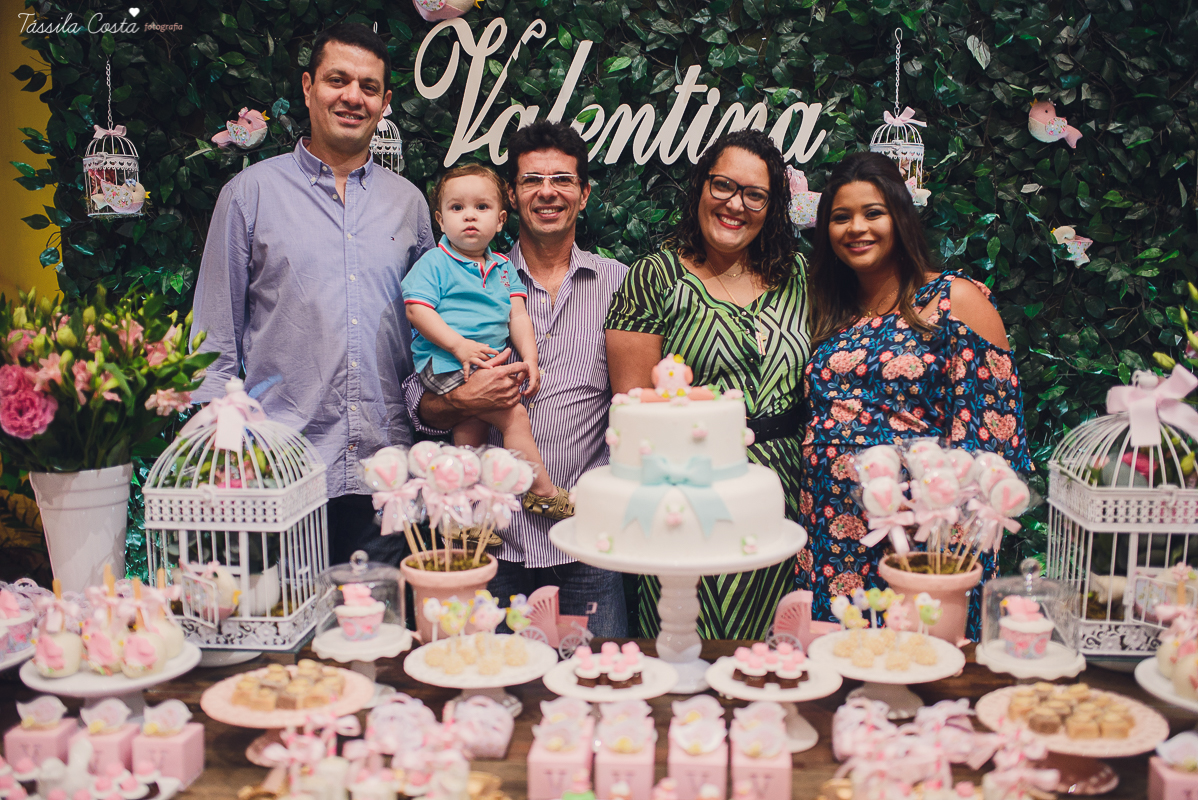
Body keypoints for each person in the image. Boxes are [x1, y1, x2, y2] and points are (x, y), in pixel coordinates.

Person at [191, 23, 434, 565]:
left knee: (382, 641)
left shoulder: (409, 205)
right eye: (337, 80)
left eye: (369, 87)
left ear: (385, 102)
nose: (353, 97)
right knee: (283, 644)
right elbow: (213, 343)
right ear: (307, 87)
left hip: (385, 480)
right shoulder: (249, 195)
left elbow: (427, 339)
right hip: (279, 474)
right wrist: (223, 465)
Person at [402, 120, 630, 636]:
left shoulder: (618, 284)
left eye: (562, 180)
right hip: (488, 542)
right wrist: (465, 399)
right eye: (531, 180)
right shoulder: (467, 274)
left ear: (584, 193)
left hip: (585, 539)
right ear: (512, 194)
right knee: (488, 685)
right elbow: (417, 401)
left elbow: (634, 405)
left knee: (600, 689)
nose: (547, 192)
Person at [796, 152, 1031, 640]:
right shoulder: (831, 312)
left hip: (921, 543)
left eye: (872, 213)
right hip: (831, 534)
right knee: (843, 680)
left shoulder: (954, 300)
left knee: (923, 674)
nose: (856, 228)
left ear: (899, 217)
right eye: (841, 217)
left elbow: (994, 439)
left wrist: (951, 552)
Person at [605, 129, 811, 640]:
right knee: (689, 645)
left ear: (773, 206)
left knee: (777, 658)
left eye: (754, 194)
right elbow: (633, 413)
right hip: (691, 497)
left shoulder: (800, 275)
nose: (735, 204)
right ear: (700, 186)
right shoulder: (655, 277)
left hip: (786, 497)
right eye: (723, 185)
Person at [402, 164, 565, 507]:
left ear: (501, 220)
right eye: (457, 208)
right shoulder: (435, 262)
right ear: (441, 221)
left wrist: (531, 358)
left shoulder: (504, 268)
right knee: (514, 414)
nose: (469, 216)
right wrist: (458, 345)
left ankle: (462, 510)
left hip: (482, 364)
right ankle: (542, 492)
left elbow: (518, 315)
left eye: (482, 207)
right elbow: (417, 310)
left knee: (471, 430)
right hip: (445, 361)